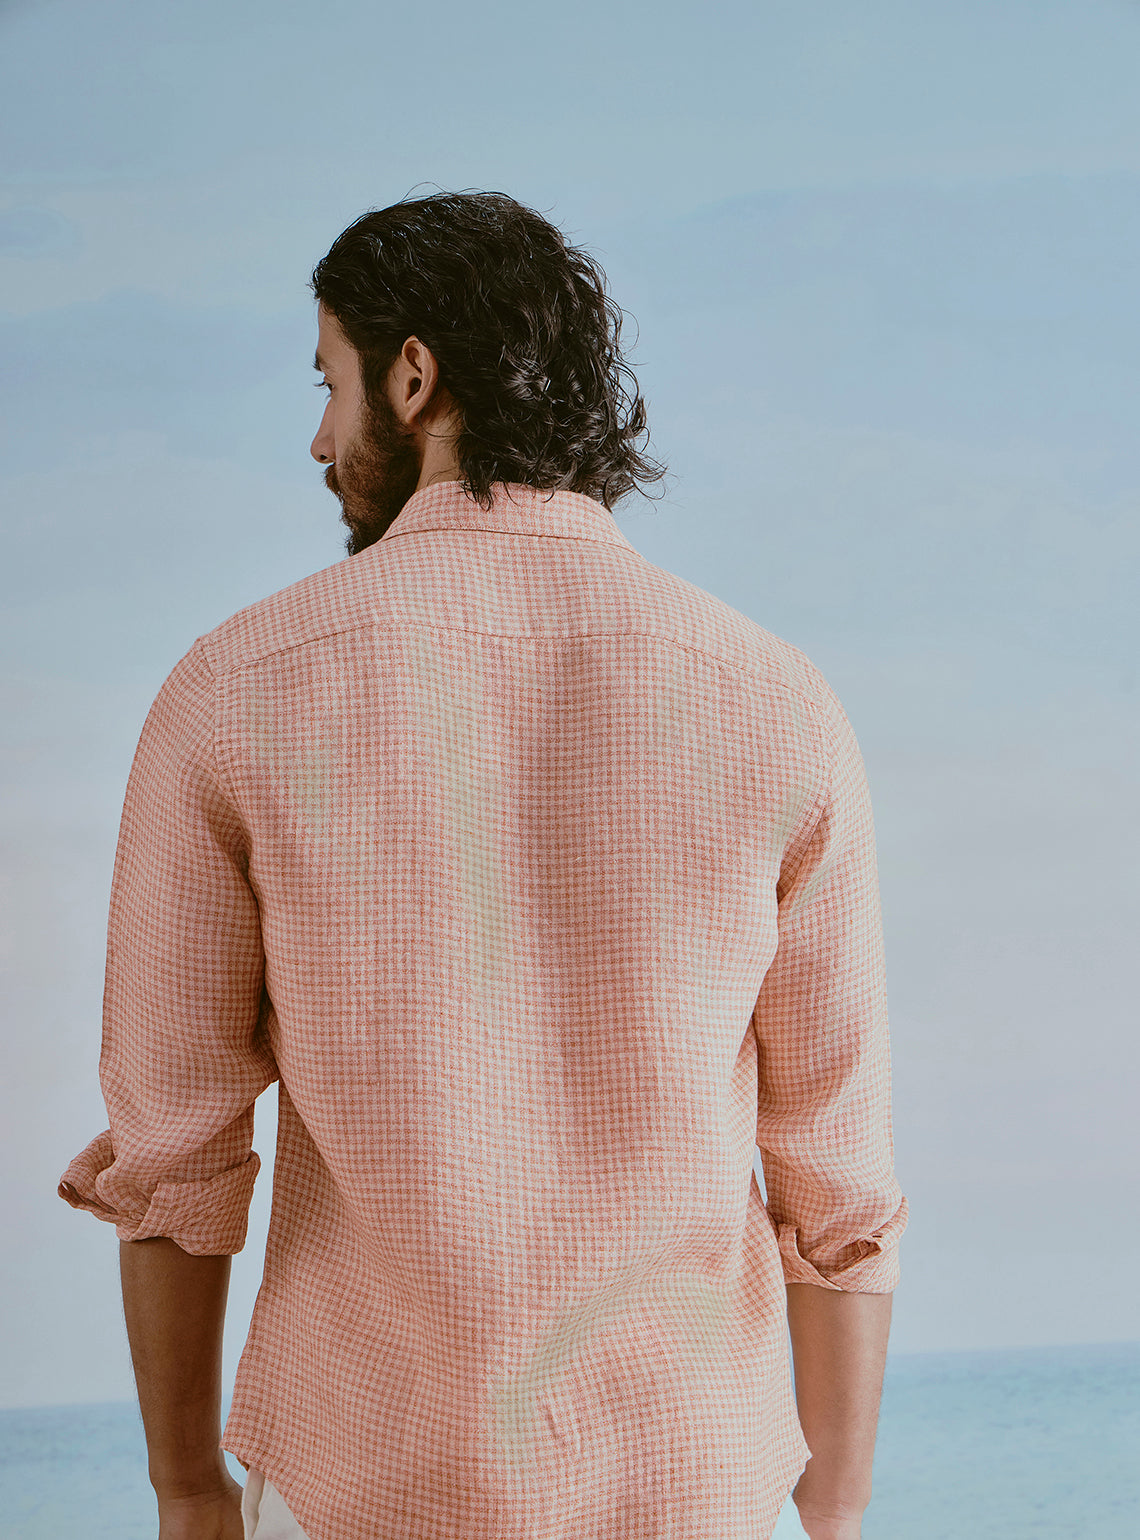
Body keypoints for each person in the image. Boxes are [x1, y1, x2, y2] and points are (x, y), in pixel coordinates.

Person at [58, 190, 907, 1540]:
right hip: (691, 1478)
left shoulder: (236, 691)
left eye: (329, 384)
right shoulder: (777, 702)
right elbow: (834, 1172)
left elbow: (176, 1156)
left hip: (363, 1481)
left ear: (413, 376)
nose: (319, 439)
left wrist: (186, 1491)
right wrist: (838, 1510)